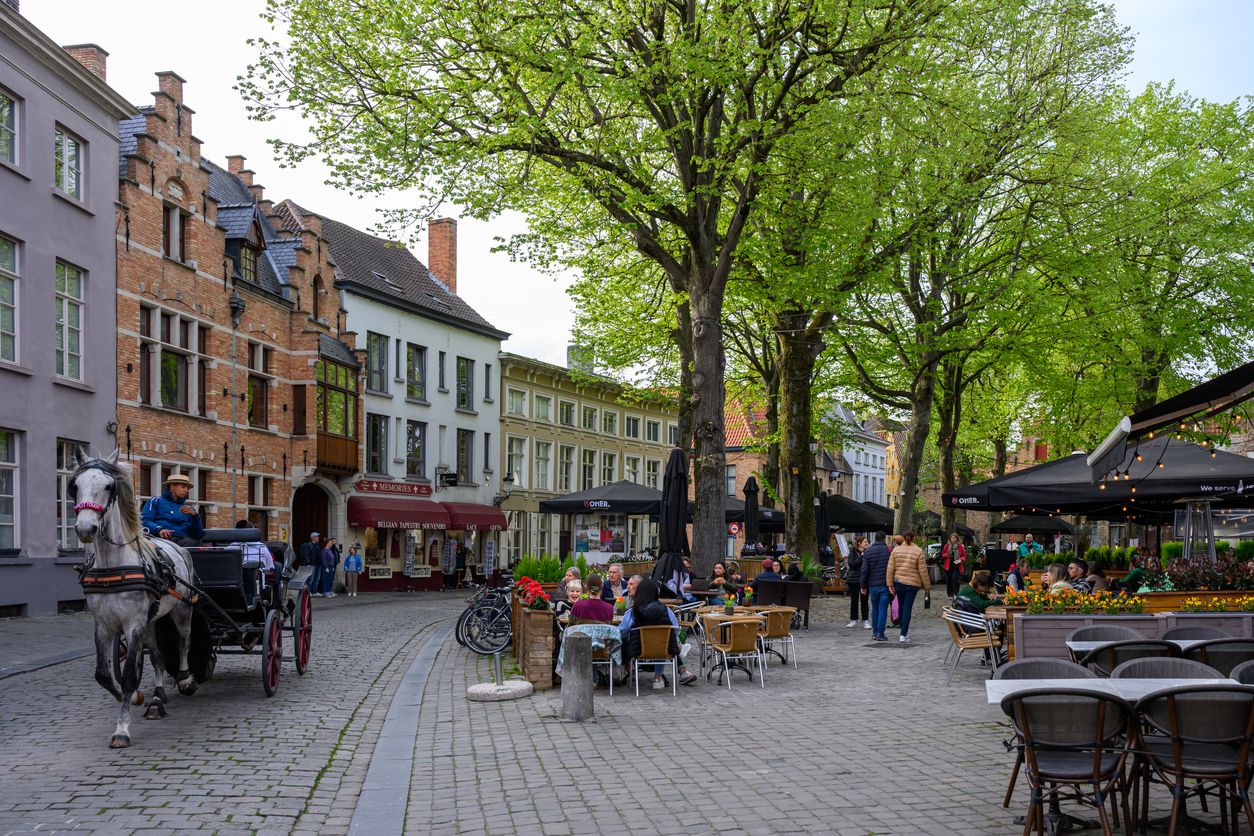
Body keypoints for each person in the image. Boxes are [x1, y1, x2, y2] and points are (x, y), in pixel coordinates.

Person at [618, 577, 696, 689]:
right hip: (663, 650)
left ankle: (626, 668)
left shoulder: (633, 612)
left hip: (638, 650)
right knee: (662, 640)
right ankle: (658, 678)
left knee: (623, 639)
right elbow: (674, 628)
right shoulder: (666, 610)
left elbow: (622, 631)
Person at [886, 530, 929, 643]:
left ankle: (902, 632)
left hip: (899, 582)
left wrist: (890, 584)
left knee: (900, 605)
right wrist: (927, 586)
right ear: (913, 538)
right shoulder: (918, 551)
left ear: (904, 538)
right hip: (912, 583)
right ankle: (903, 633)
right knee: (907, 608)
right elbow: (923, 571)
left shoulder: (896, 550)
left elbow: (890, 569)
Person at [140, 473, 204, 547]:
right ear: (172, 486)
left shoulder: (188, 509)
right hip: (160, 539)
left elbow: (198, 534)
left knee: (191, 545)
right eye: (183, 487)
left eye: (187, 488)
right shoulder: (155, 501)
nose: (187, 491)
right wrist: (159, 529)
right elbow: (145, 520)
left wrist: (195, 516)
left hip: (184, 541)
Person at [860, 533, 892, 642]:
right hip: (885, 584)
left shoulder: (868, 552)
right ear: (884, 539)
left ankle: (875, 632)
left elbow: (864, 570)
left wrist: (863, 585)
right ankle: (880, 633)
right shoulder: (889, 551)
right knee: (883, 609)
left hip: (872, 585)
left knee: (874, 608)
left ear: (874, 539)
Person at [845, 536, 869, 629]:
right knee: (854, 600)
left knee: (865, 601)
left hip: (865, 580)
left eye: (867, 542)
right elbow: (852, 564)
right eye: (865, 542)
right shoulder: (853, 552)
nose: (867, 543)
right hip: (854, 580)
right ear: (859, 543)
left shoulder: (869, 552)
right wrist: (861, 556)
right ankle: (853, 619)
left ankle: (866, 620)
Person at [941, 533, 967, 599]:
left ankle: (956, 593)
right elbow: (942, 554)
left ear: (957, 539)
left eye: (954, 538)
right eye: (952, 538)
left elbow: (964, 556)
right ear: (950, 539)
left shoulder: (960, 546)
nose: (953, 539)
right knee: (949, 580)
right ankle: (950, 594)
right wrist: (946, 555)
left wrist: (960, 559)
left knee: (955, 579)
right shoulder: (947, 545)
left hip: (957, 565)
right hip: (948, 565)